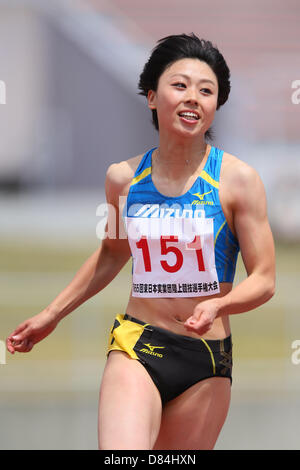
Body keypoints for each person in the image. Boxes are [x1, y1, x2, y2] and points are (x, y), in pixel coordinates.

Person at [6, 33, 276, 450]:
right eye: (180, 85)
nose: (193, 98)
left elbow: (264, 278)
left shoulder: (238, 181)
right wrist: (51, 314)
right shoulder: (123, 179)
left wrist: (219, 304)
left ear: (216, 106)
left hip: (205, 359)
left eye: (207, 91)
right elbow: (113, 252)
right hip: (137, 343)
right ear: (152, 97)